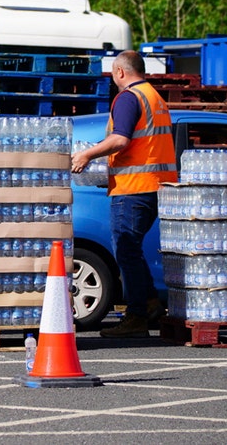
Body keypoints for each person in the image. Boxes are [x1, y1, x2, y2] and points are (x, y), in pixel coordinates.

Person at [71, 50, 177, 338]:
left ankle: (137, 316)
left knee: (126, 249)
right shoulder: (154, 97)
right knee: (131, 249)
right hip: (154, 185)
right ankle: (151, 303)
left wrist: (86, 155)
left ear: (120, 72)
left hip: (134, 188)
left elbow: (120, 138)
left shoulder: (129, 98)